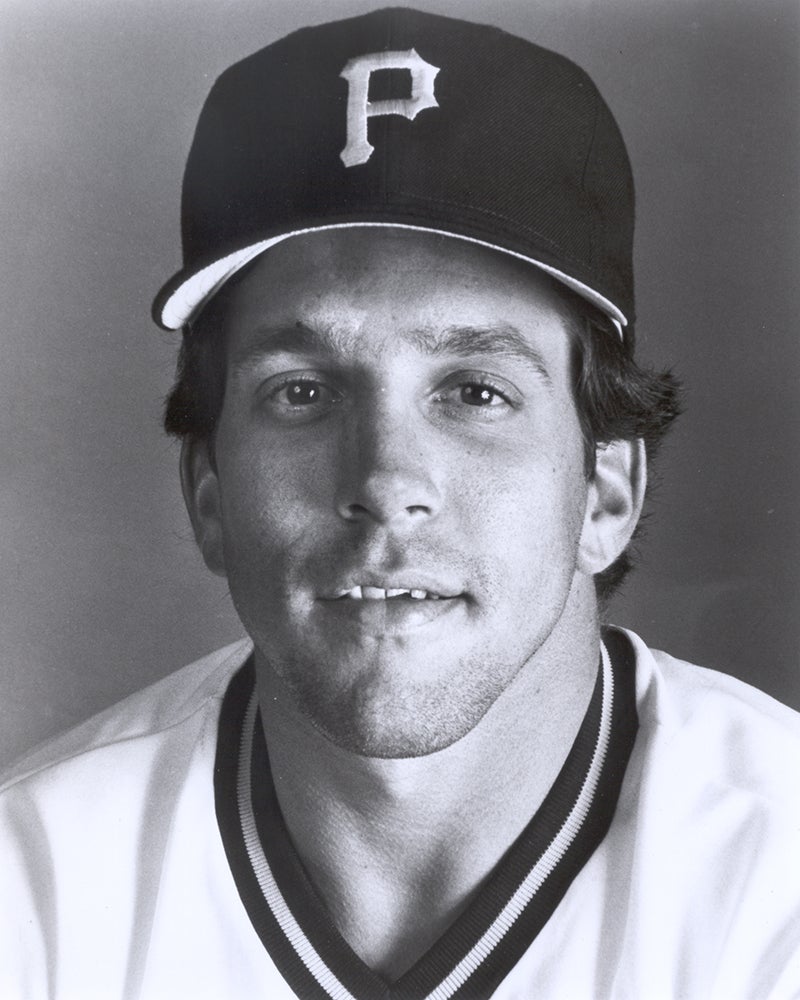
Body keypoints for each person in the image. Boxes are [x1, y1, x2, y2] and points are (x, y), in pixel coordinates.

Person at [1, 7, 798, 998]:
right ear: (207, 493)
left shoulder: (774, 878)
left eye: (475, 393)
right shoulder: (34, 886)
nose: (384, 484)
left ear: (605, 493)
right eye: (301, 392)